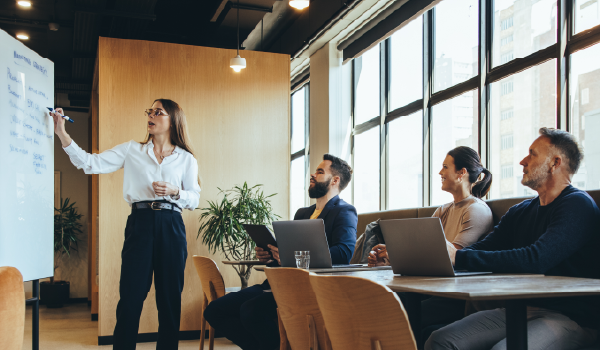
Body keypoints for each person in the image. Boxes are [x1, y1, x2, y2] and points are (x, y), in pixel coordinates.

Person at [426, 128, 600, 350]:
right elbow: (485, 247)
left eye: (532, 154)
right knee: (440, 340)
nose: (522, 161)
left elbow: (536, 259)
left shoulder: (577, 205)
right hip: (523, 308)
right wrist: (438, 255)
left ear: (555, 163)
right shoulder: (521, 211)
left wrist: (457, 257)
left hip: (571, 317)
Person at [51, 100, 201, 350]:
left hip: (171, 225)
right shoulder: (132, 150)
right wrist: (61, 132)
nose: (150, 115)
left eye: (158, 112)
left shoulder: (186, 159)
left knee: (169, 300)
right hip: (140, 224)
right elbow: (90, 163)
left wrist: (176, 191)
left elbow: (194, 199)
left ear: (173, 120)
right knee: (130, 298)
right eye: (149, 111)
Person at [203, 154, 357, 350]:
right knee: (214, 311)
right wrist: (271, 255)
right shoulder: (302, 213)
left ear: (335, 180)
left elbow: (344, 253)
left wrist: (291, 255)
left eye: (320, 171)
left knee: (250, 311)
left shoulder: (344, 211)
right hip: (278, 283)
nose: (312, 174)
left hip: (308, 289)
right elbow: (286, 257)